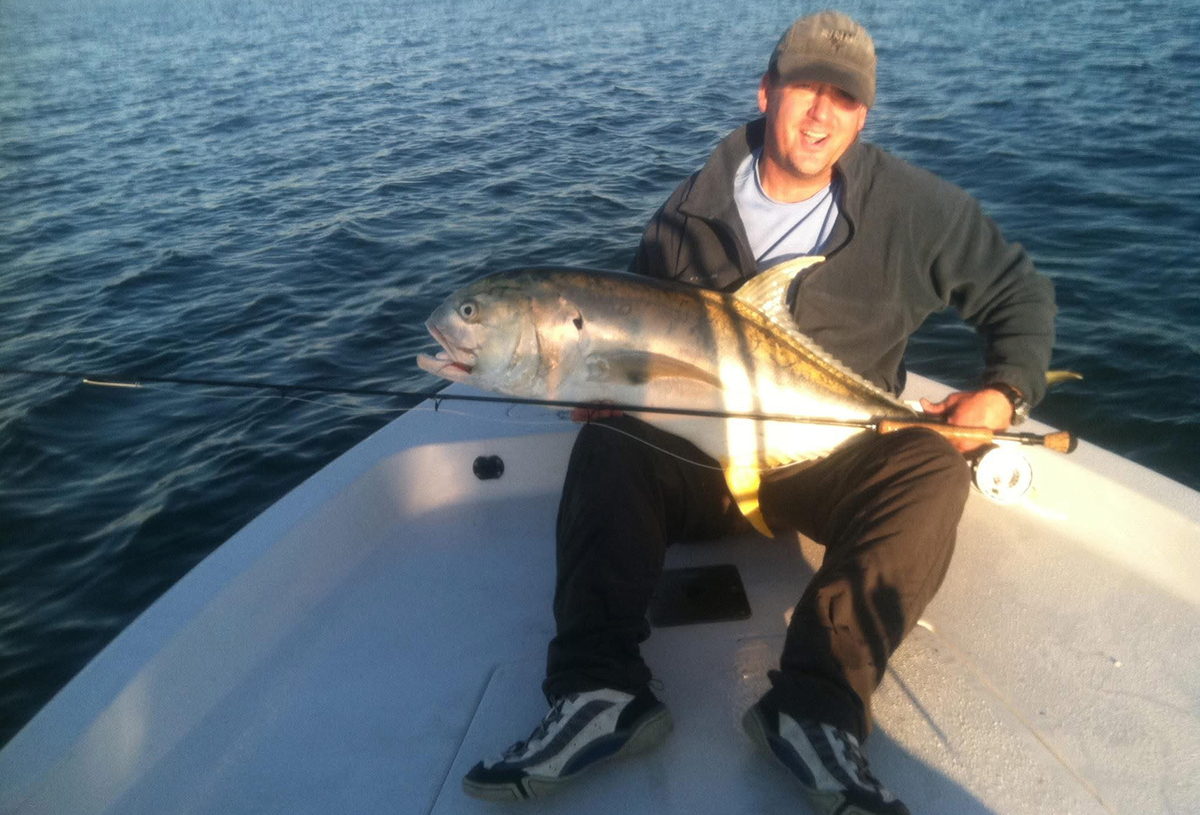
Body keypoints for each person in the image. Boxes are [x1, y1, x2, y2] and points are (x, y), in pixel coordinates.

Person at [462, 10, 1055, 814]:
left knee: (928, 463)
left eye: (842, 99)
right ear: (766, 90)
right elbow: (623, 357)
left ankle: (814, 707)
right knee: (609, 446)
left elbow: (1018, 291)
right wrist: (603, 393)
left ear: (863, 115)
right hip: (701, 462)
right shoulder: (683, 217)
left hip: (830, 456)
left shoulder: (913, 209)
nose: (820, 114)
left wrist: (1004, 390)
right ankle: (598, 695)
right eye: (805, 88)